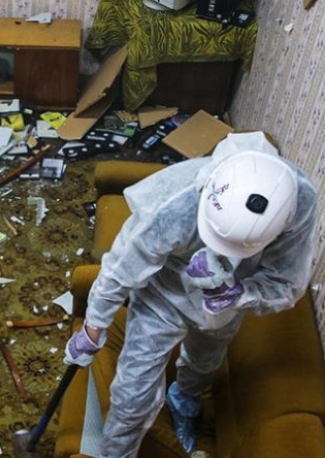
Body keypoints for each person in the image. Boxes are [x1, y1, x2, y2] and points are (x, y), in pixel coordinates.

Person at [64, 131, 318, 457]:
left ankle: (184, 400)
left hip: (227, 299)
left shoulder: (297, 205)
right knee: (131, 393)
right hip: (163, 295)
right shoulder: (176, 201)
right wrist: (94, 324)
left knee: (204, 360)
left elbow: (286, 285)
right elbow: (122, 266)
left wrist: (239, 293)